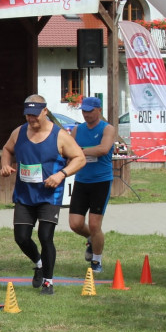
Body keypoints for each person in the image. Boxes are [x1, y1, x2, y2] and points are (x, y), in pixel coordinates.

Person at [0, 95, 86, 295]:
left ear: (45, 111)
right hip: (24, 194)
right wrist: (5, 164)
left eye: (35, 115)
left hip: (49, 195)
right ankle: (39, 263)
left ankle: (48, 281)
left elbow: (79, 158)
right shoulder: (19, 132)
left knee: (45, 236)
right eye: (28, 115)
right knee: (21, 238)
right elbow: (6, 149)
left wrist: (61, 174)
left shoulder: (60, 135)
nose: (31, 119)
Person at [67, 97, 116, 276]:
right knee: (75, 224)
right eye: (84, 111)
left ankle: (96, 260)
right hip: (82, 180)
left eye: (90, 111)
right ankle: (91, 239)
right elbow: (68, 150)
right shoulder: (77, 130)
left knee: (95, 225)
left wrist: (79, 151)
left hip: (101, 181)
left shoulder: (107, 128)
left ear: (99, 110)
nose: (86, 115)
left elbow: (103, 149)